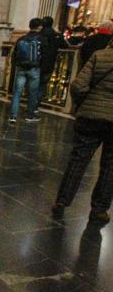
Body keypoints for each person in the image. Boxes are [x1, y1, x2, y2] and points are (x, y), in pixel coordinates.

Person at [52, 43, 113, 223]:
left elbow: (78, 85)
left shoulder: (99, 55)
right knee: (110, 167)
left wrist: (85, 102)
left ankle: (62, 202)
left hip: (90, 117)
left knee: (78, 160)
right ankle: (99, 209)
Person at [9, 18, 46, 124]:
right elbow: (44, 55)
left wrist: (15, 65)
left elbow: (15, 54)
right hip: (34, 69)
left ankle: (13, 116)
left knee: (17, 92)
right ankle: (30, 115)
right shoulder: (41, 39)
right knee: (33, 92)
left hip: (21, 68)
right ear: (39, 27)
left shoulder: (21, 39)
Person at [38, 16, 67, 109]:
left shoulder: (39, 34)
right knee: (42, 86)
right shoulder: (56, 35)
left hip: (37, 62)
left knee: (34, 84)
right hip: (49, 63)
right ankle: (35, 105)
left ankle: (30, 104)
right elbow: (65, 45)